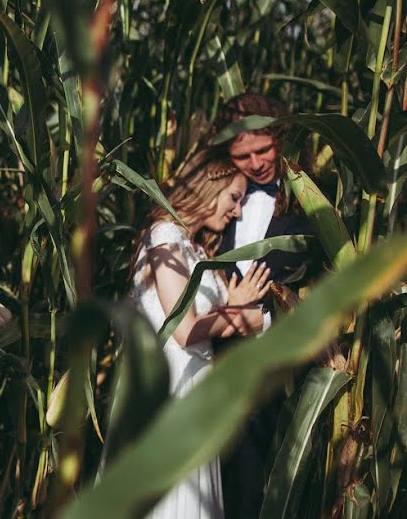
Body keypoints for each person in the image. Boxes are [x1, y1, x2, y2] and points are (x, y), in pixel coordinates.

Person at [131, 152, 272, 519]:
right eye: (234, 197)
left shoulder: (192, 246)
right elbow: (184, 329)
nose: (236, 212)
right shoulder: (164, 238)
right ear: (210, 187)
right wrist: (255, 319)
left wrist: (233, 302)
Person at [212, 92, 317, 518]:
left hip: (281, 380)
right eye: (243, 156)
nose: (256, 164)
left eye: (263, 149)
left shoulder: (311, 205)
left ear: (283, 139)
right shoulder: (217, 205)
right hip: (218, 369)